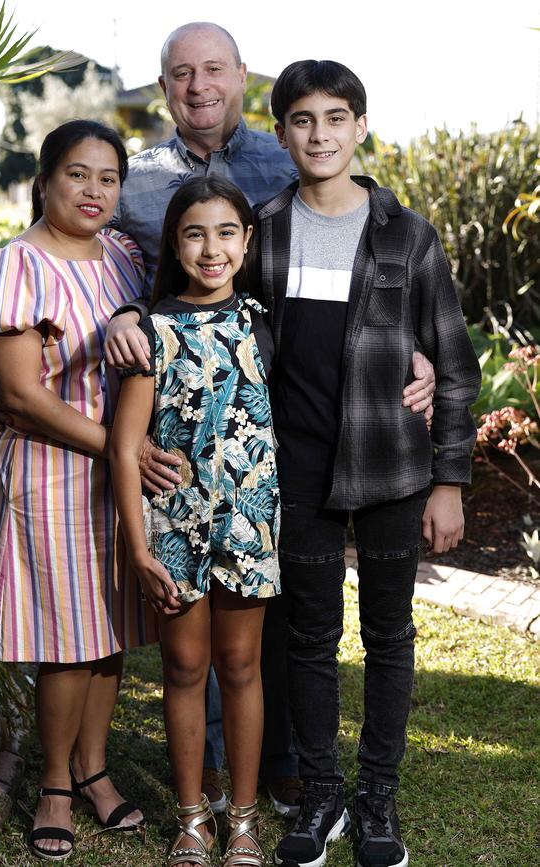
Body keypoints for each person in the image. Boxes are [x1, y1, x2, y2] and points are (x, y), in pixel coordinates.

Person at [105, 21, 436, 818]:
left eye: (213, 68)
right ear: (164, 88)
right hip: (182, 423)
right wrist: (124, 311)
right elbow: (119, 262)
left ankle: (278, 763)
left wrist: (414, 353)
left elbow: (367, 257)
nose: (199, 85)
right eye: (181, 73)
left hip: (276, 425)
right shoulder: (138, 177)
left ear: (243, 77)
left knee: (281, 615)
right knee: (204, 636)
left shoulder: (283, 163)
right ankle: (211, 775)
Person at [255, 61, 481, 867]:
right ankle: (322, 796)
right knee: (309, 638)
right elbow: (202, 302)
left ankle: (377, 794)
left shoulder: (408, 234)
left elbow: (453, 363)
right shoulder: (261, 230)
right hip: (296, 471)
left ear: (359, 128)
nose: (320, 134)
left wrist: (449, 480)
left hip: (392, 468)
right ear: (281, 132)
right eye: (303, 120)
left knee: (389, 635)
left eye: (336, 117)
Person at [0, 120, 154, 862]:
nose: (93, 190)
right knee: (67, 639)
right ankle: (52, 784)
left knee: (109, 629)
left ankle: (95, 769)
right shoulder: (17, 266)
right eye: (77, 175)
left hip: (119, 472)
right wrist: (126, 449)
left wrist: (130, 456)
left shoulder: (124, 260)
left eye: (107, 178)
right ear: (44, 182)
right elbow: (20, 392)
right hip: (54, 468)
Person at [110, 176, 279, 867]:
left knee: (240, 663)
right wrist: (137, 545)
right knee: (184, 666)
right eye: (194, 233)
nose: (211, 249)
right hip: (174, 526)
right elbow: (124, 446)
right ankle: (191, 818)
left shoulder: (264, 320)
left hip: (251, 522)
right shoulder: (152, 330)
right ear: (174, 244)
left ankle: (241, 818)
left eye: (225, 233)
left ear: (247, 241)